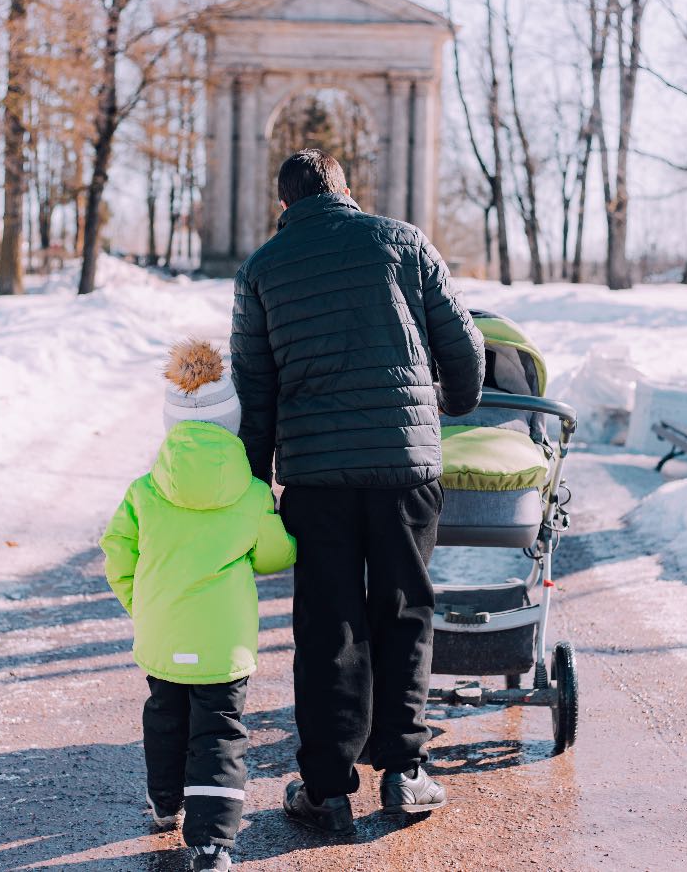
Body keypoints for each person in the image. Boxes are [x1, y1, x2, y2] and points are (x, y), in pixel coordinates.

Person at [230, 148, 485, 834]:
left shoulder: (261, 269)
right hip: (405, 469)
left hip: (317, 479)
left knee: (328, 626)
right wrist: (453, 404)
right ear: (346, 191)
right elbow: (464, 346)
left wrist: (255, 484)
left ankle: (326, 789)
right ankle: (405, 772)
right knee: (404, 611)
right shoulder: (403, 242)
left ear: (284, 206)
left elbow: (254, 388)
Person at [100, 339, 297, 871]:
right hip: (223, 642)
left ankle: (165, 805)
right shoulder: (251, 493)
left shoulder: (144, 491)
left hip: (163, 632)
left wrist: (141, 605)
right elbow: (275, 555)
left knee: (165, 718)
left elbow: (117, 551)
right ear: (232, 423)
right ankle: (212, 844)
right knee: (220, 732)